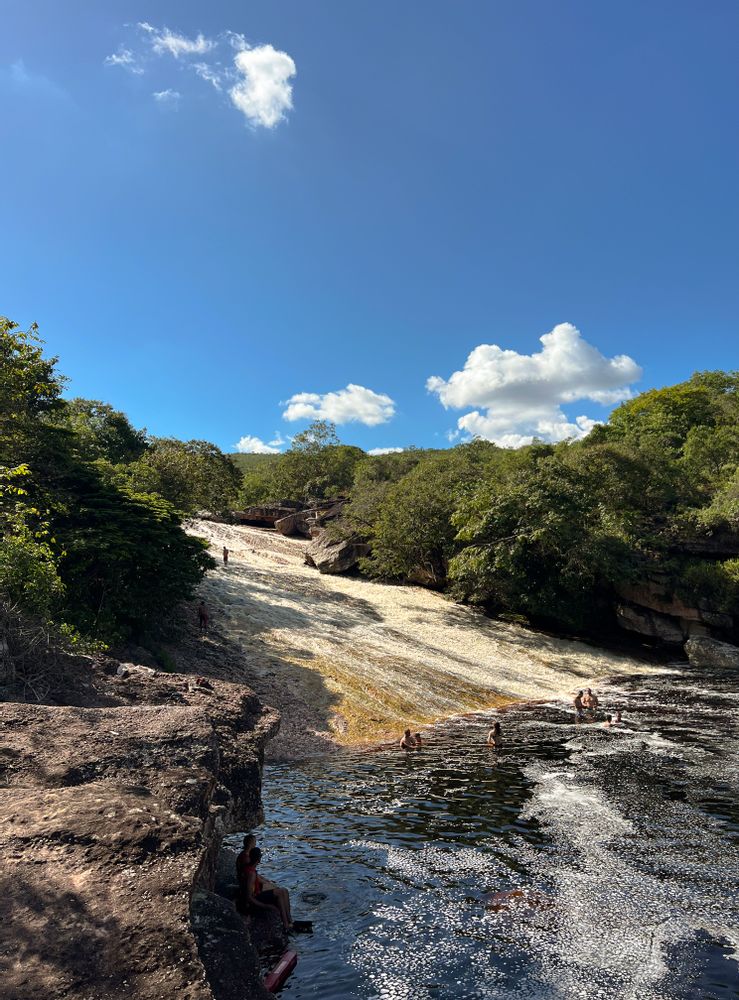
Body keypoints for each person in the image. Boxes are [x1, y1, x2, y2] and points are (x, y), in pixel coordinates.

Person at [241, 847, 292, 931]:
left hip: (257, 895)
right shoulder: (251, 874)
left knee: (284, 890)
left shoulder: (249, 868)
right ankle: (286, 924)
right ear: (259, 859)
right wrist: (266, 906)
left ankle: (290, 920)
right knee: (280, 892)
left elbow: (258, 879)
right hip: (254, 902)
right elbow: (249, 897)